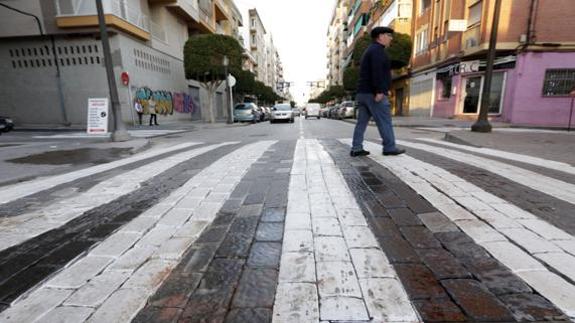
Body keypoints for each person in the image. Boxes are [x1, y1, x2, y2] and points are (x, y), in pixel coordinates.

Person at [350, 26, 405, 157]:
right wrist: (380, 91)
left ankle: (356, 148)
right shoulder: (378, 51)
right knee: (384, 121)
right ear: (380, 36)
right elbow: (377, 72)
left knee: (361, 122)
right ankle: (389, 147)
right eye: (389, 35)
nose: (391, 38)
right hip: (373, 93)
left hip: (363, 93)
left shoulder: (371, 50)